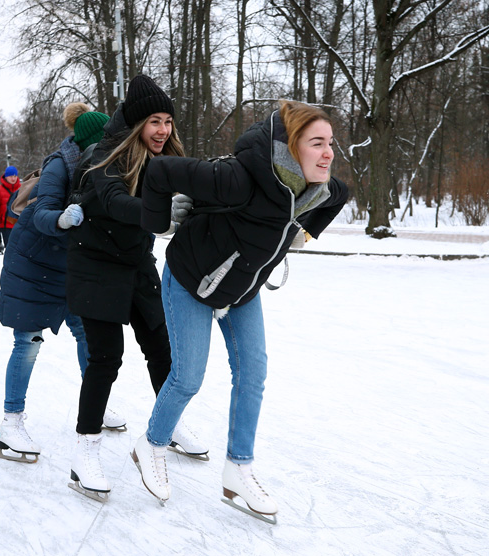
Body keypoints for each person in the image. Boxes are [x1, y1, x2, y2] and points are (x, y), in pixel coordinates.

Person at [131, 100, 350, 520]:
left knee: (253, 375)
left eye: (331, 144)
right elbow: (159, 172)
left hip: (241, 289)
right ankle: (152, 444)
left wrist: (303, 233)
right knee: (187, 377)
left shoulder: (317, 189)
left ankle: (238, 469)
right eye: (318, 143)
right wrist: (158, 224)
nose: (329, 153)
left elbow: (341, 195)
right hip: (192, 278)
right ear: (290, 147)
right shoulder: (238, 178)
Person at [64, 75, 204, 500]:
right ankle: (84, 450)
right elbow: (114, 203)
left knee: (163, 348)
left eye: (168, 121)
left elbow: (206, 187)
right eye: (154, 121)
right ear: (138, 123)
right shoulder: (105, 157)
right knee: (106, 358)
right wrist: (159, 213)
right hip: (95, 264)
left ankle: (168, 422)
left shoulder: (166, 158)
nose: (163, 130)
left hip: (137, 262)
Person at [0, 103, 126, 463]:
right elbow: (45, 209)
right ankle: (11, 423)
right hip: (34, 262)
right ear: (89, 141)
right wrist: (62, 220)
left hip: (69, 264)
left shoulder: (102, 166)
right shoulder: (60, 164)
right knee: (28, 341)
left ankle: (94, 405)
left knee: (86, 333)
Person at [0, 167, 20, 255]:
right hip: (7, 226)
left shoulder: (22, 188)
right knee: (11, 252)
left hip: (21, 225)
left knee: (21, 252)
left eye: (15, 176)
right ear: (6, 177)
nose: (13, 178)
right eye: (10, 176)